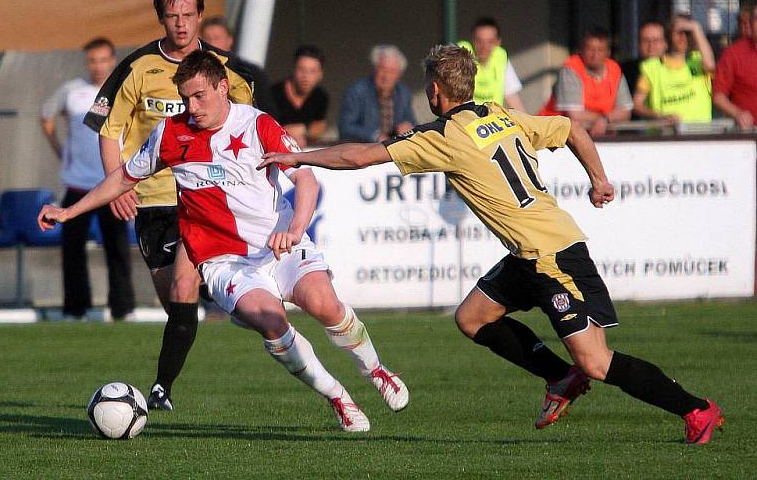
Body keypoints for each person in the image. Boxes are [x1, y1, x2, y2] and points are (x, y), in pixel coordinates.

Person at [260, 44, 724, 445]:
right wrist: (597, 180)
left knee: (598, 361)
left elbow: (360, 155)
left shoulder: (444, 135)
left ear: (437, 90)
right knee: (473, 317)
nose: (427, 93)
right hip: (528, 253)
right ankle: (559, 377)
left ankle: (696, 409)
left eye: (428, 86)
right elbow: (572, 128)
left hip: (554, 256)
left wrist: (296, 155)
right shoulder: (497, 114)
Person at [41, 50, 409, 432]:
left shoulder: (256, 124)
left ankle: (376, 370)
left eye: (199, 96)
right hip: (223, 260)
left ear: (222, 87)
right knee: (271, 322)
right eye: (184, 98)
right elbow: (122, 178)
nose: (191, 106)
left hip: (277, 242)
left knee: (325, 305)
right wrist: (69, 211)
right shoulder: (170, 133)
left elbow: (305, 178)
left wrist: (297, 229)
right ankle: (338, 397)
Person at [84, 0, 255, 411]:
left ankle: (161, 389)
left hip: (207, 196)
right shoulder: (138, 66)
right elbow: (109, 129)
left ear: (200, 16)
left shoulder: (224, 68)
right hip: (153, 197)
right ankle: (233, 300)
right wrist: (116, 185)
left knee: (183, 285)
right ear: (161, 18)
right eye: (172, 16)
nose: (180, 24)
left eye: (188, 15)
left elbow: (249, 124)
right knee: (176, 299)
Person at [41, 38, 135, 321]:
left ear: (113, 59)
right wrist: (61, 151)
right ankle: (75, 309)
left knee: (117, 248)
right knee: (72, 250)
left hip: (113, 184)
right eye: (92, 60)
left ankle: (122, 308)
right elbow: (46, 117)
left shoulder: (124, 89)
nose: (98, 66)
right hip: (77, 184)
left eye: (103, 60)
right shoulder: (72, 91)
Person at [539, 27, 632, 137]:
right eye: (590, 49)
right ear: (581, 50)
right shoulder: (571, 69)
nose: (595, 55)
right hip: (552, 135)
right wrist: (604, 119)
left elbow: (625, 112)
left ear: (608, 52)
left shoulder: (615, 70)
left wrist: (605, 119)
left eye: (600, 50)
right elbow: (575, 115)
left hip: (593, 134)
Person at [633, 15, 715, 124]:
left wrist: (695, 28)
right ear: (668, 36)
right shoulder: (652, 67)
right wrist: (658, 116)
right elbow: (636, 104)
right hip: (665, 135)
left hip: (698, 134)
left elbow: (710, 65)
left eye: (687, 33)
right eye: (679, 33)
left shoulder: (697, 61)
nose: (683, 37)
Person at [200, 16, 277, 117]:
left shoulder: (249, 72)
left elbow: (267, 112)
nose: (211, 43)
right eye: (207, 39)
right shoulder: (193, 72)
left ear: (229, 40)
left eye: (216, 38)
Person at [338, 45, 416, 142]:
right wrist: (374, 135)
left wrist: (409, 127)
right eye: (383, 70)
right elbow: (345, 127)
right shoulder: (357, 91)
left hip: (393, 149)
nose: (386, 76)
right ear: (374, 69)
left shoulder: (403, 93)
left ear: (399, 75)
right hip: (363, 149)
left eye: (392, 71)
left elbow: (411, 121)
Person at [457, 17, 526, 110]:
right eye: (479, 41)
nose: (484, 47)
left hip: (492, 120)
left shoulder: (500, 58)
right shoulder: (463, 55)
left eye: (490, 42)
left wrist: (526, 122)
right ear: (472, 40)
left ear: (498, 42)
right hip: (466, 118)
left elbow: (512, 97)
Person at [270, 45, 328, 148]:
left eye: (312, 71)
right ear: (293, 69)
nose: (306, 76)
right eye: (301, 69)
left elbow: (320, 127)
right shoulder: (273, 93)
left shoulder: (320, 97)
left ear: (320, 75)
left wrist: (303, 129)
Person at [713, 2, 757, 130]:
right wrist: (737, 113)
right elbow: (718, 96)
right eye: (756, 19)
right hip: (748, 133)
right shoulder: (733, 53)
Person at [620, 21, 668, 96]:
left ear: (665, 43)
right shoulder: (624, 71)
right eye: (645, 40)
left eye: (656, 40)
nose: (651, 46)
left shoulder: (678, 69)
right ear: (639, 44)